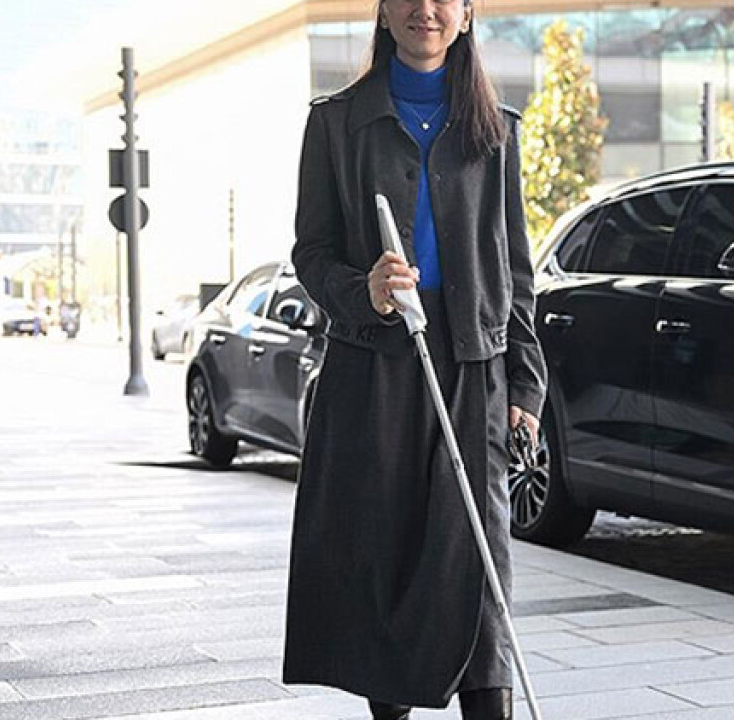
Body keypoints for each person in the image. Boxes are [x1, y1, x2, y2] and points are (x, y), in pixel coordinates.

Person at [282, 0, 546, 718]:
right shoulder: (335, 123)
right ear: (384, 11)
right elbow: (311, 253)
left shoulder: (497, 130)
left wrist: (525, 386)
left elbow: (515, 271)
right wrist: (363, 290)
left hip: (473, 369)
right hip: (373, 372)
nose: (424, 10)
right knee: (386, 560)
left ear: (466, 14)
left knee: (479, 565)